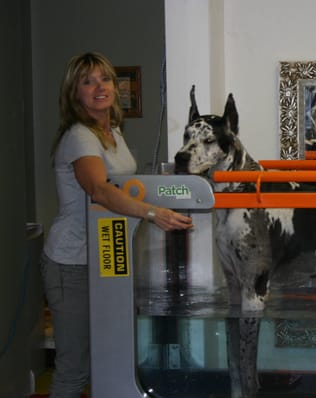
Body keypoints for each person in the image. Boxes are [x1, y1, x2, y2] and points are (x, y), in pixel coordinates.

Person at [41, 52, 193, 398]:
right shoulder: (80, 137)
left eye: (104, 79)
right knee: (74, 370)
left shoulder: (114, 133)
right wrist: (154, 214)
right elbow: (99, 190)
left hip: (106, 260)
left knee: (109, 360)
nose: (99, 87)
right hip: (72, 264)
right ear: (74, 93)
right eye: (87, 81)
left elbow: (127, 186)